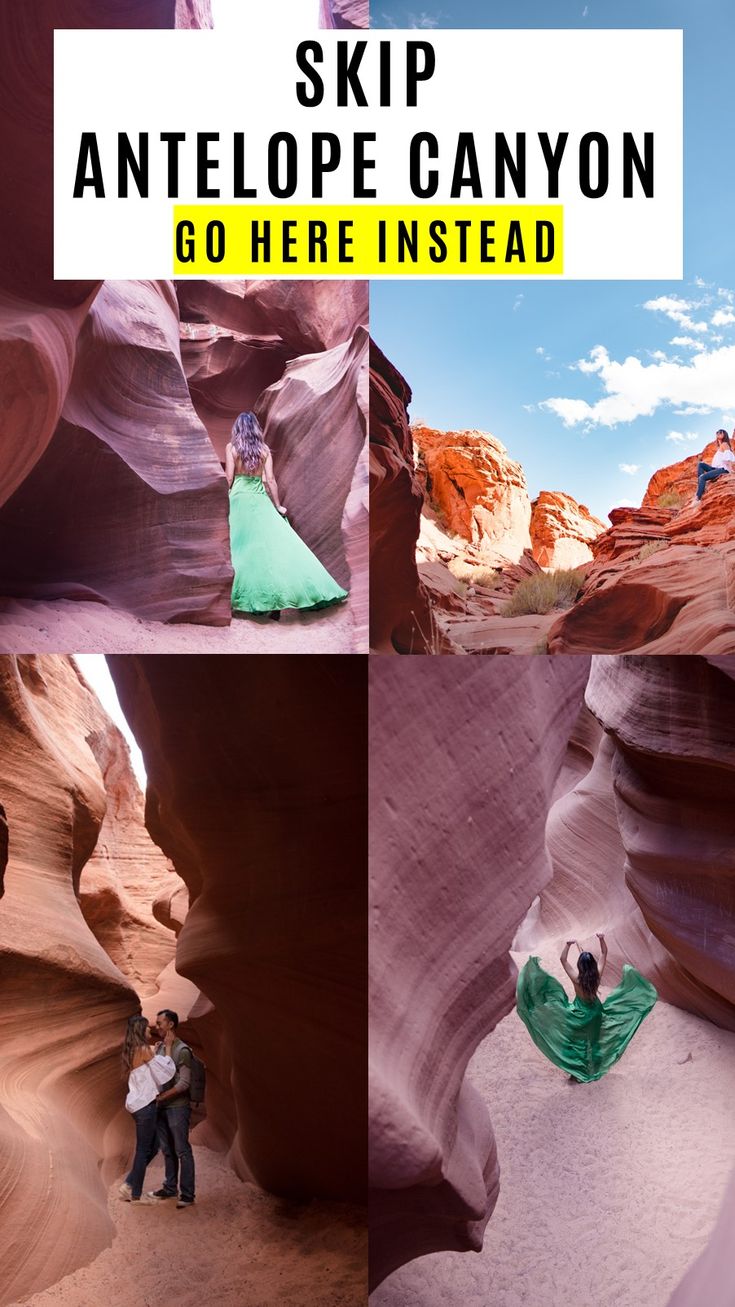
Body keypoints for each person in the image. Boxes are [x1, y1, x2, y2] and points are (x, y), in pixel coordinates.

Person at [225, 411, 348, 617]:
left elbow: (229, 477)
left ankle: (246, 599)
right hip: (259, 498)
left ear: (237, 428)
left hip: (238, 499)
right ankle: (275, 602)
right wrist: (278, 505)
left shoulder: (232, 448)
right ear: (256, 429)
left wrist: (225, 498)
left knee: (240, 550)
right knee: (270, 550)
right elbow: (271, 479)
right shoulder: (264, 450)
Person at [516, 934, 657, 1083]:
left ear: (580, 966)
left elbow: (563, 960)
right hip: (596, 1013)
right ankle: (594, 1067)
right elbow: (604, 954)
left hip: (580, 1015)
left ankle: (576, 1071)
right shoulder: (597, 975)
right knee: (594, 1042)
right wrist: (601, 939)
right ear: (592, 965)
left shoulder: (577, 979)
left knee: (573, 1041)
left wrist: (568, 945)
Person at [119, 1015, 175, 1204]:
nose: (149, 1030)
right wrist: (167, 1047)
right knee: (144, 1150)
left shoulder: (132, 1050)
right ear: (140, 1030)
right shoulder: (143, 1049)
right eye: (146, 1028)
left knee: (153, 1146)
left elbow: (147, 1065)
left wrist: (156, 1049)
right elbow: (163, 1072)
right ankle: (135, 1195)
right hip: (145, 1106)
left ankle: (128, 1185)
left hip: (139, 1105)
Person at [147, 1009, 196, 1209]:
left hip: (177, 1108)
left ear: (171, 1025)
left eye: (160, 1023)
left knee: (182, 1150)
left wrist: (161, 1098)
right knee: (167, 1150)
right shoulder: (160, 1048)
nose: (157, 1026)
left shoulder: (182, 1050)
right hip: (162, 1107)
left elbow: (184, 1083)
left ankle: (187, 1194)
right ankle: (169, 1188)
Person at [690, 429, 735, 505]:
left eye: (720, 432)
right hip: (715, 469)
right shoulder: (720, 446)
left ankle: (698, 498)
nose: (718, 433)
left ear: (725, 435)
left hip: (722, 469)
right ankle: (701, 487)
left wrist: (730, 470)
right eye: (717, 432)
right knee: (700, 464)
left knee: (702, 477)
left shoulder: (725, 444)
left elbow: (728, 458)